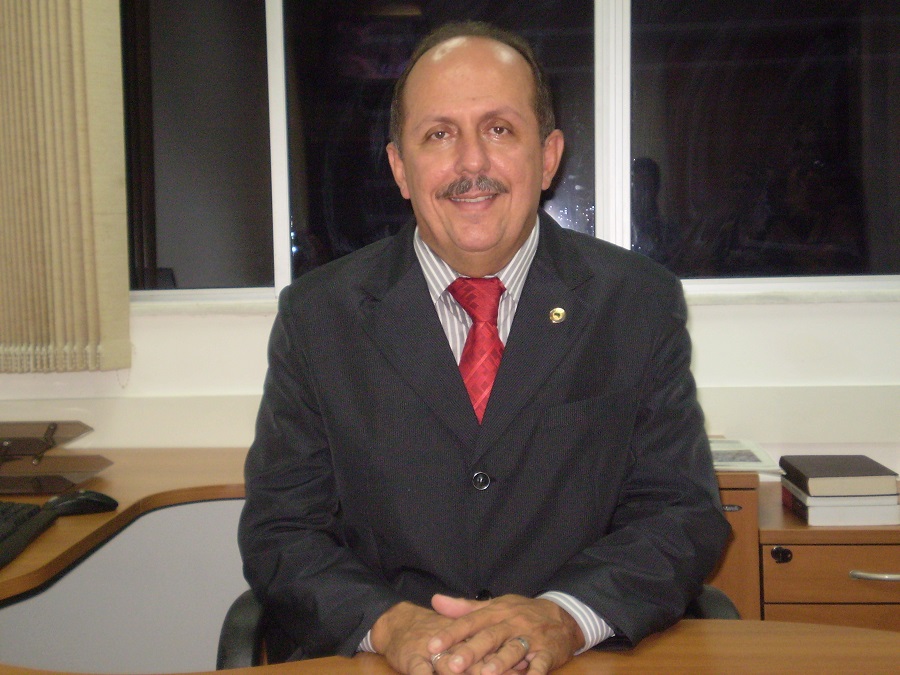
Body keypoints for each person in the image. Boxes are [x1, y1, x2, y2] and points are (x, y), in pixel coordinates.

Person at [239, 21, 729, 675]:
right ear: (400, 168)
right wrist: (388, 624)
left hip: (575, 661)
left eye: (499, 129)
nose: (471, 164)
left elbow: (680, 514)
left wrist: (565, 616)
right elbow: (281, 529)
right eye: (439, 134)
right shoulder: (318, 316)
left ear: (548, 156)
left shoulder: (636, 302)